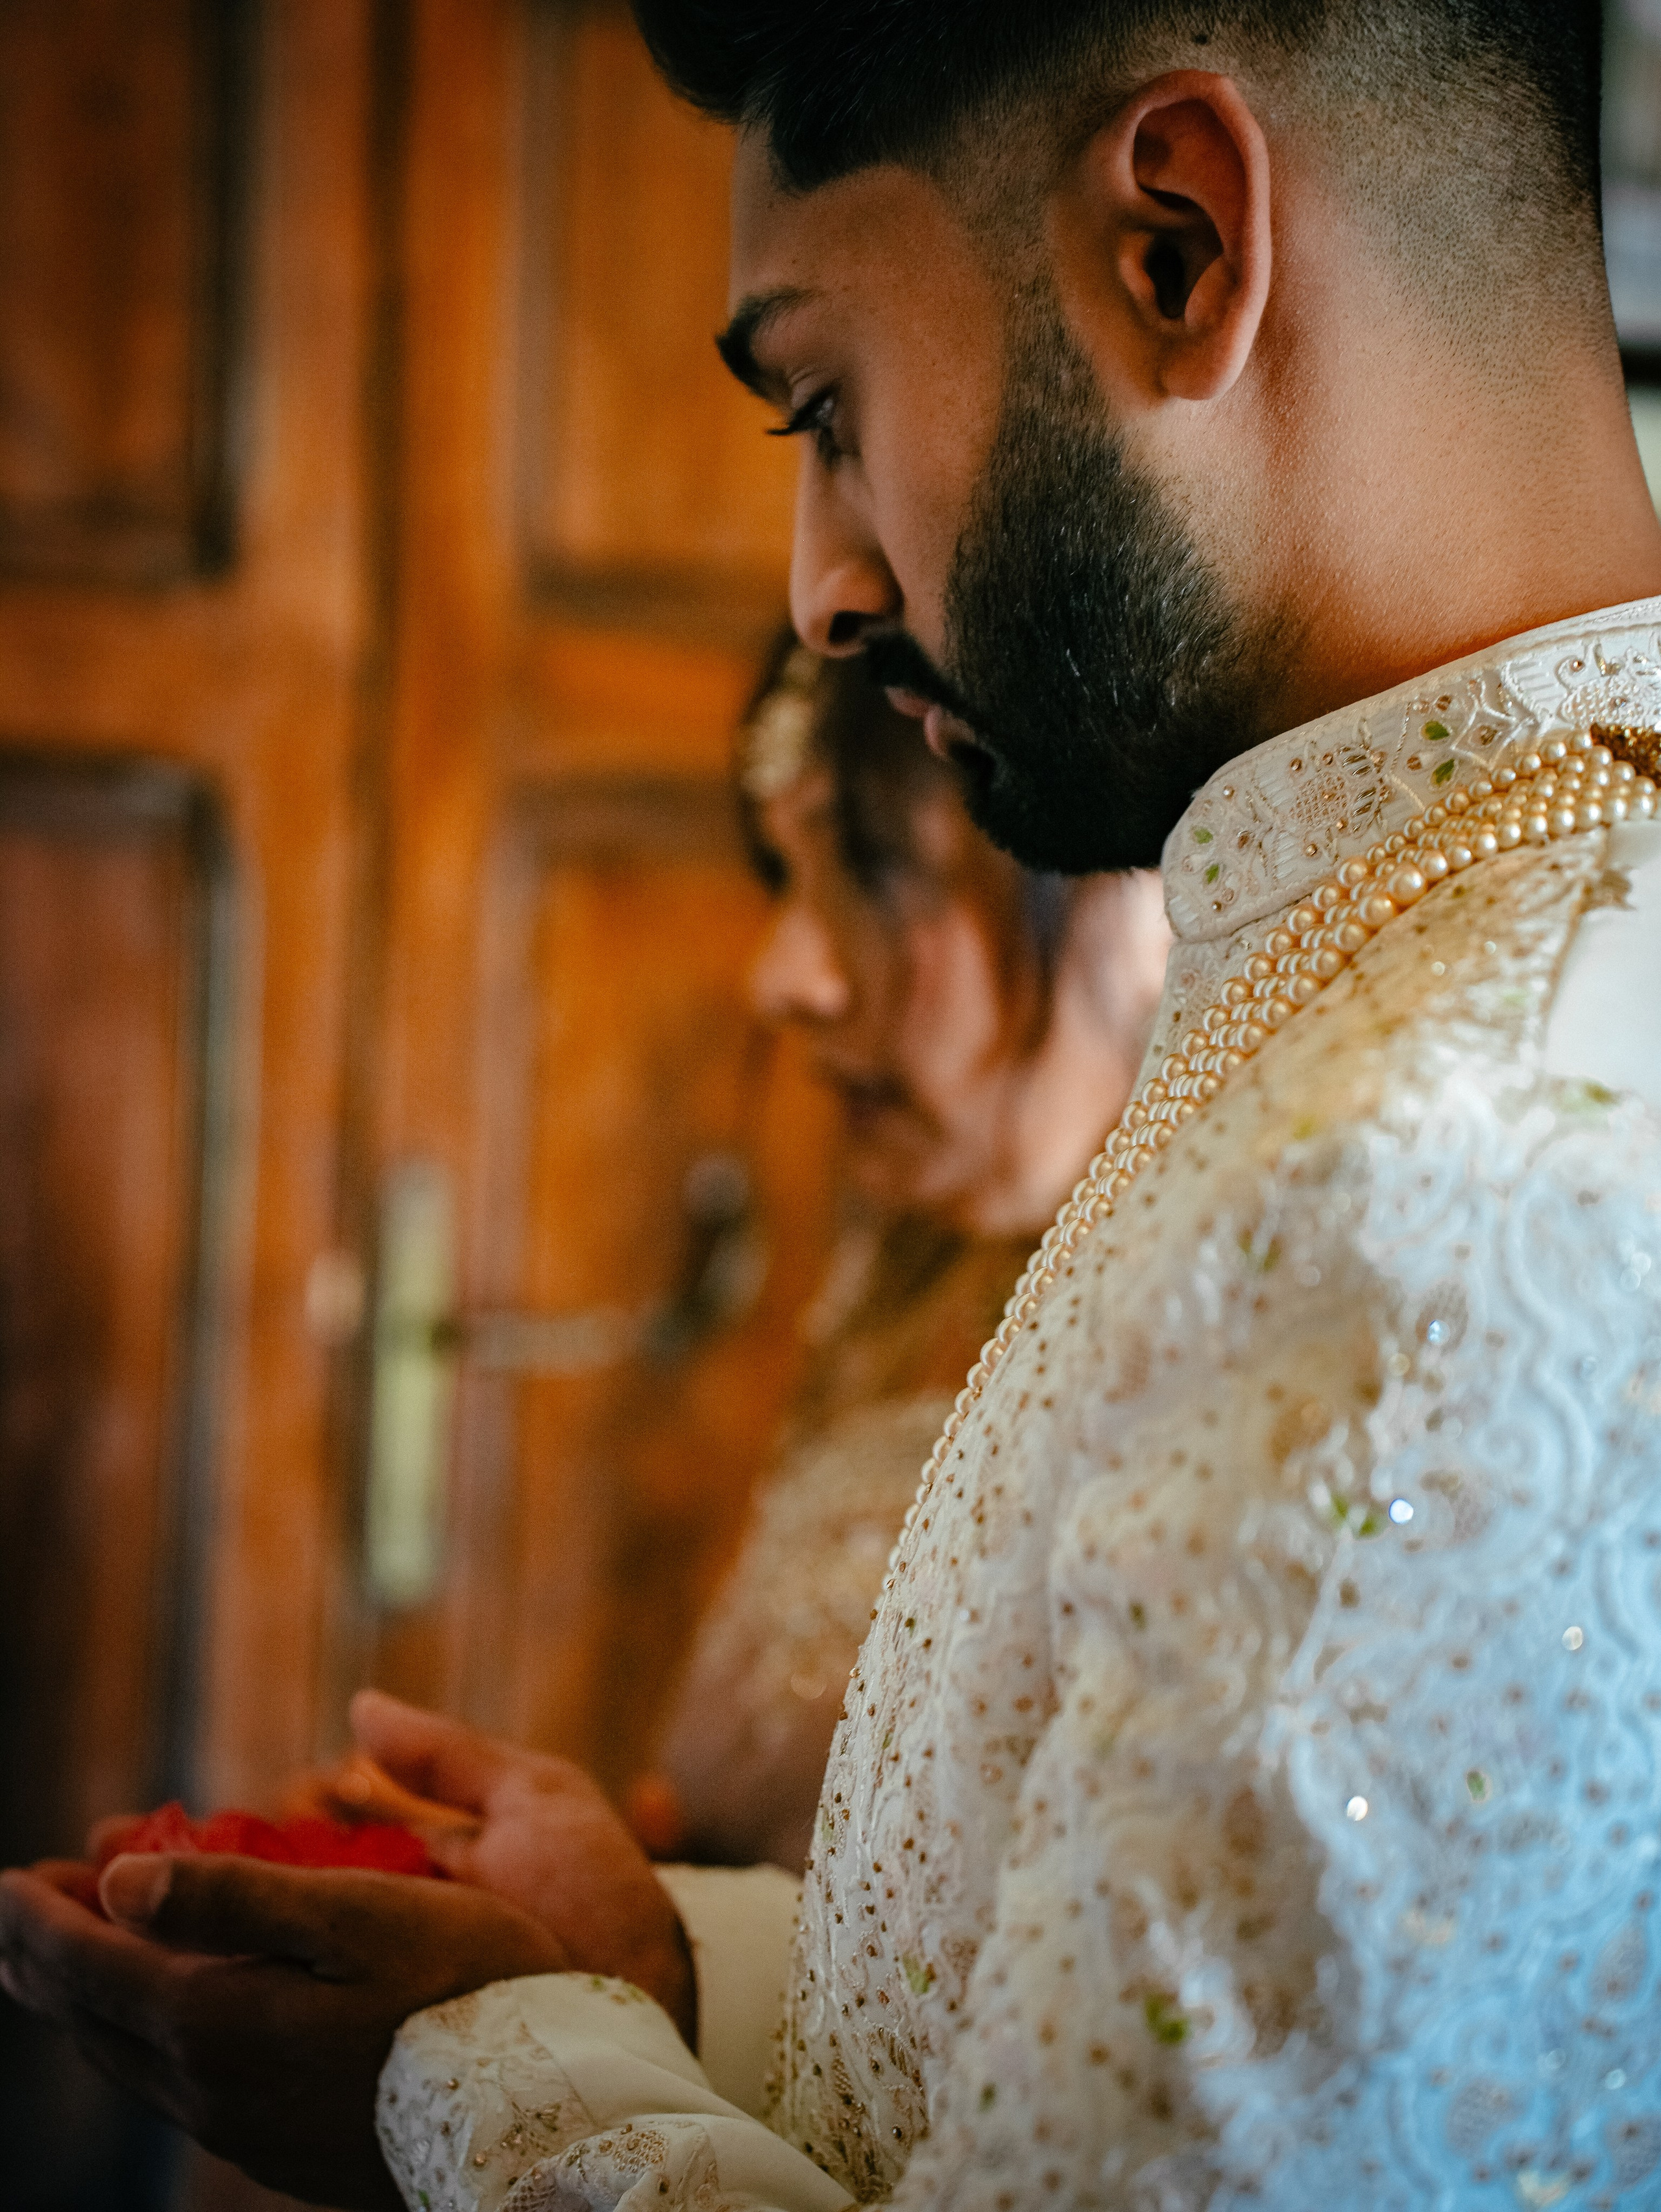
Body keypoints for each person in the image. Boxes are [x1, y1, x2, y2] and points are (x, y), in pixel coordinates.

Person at [4, 2, 1661, 2206]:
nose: (824, 580)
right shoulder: (1406, 959)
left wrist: (466, 2093)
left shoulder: (1449, 1165)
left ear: (1179, 244)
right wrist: (651, 1978)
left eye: (830, 408)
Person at [628, 638, 1168, 1872]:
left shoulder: (1221, 1339)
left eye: (869, 872)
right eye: (785, 877)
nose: (786, 976)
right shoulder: (911, 1254)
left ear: (1126, 894)